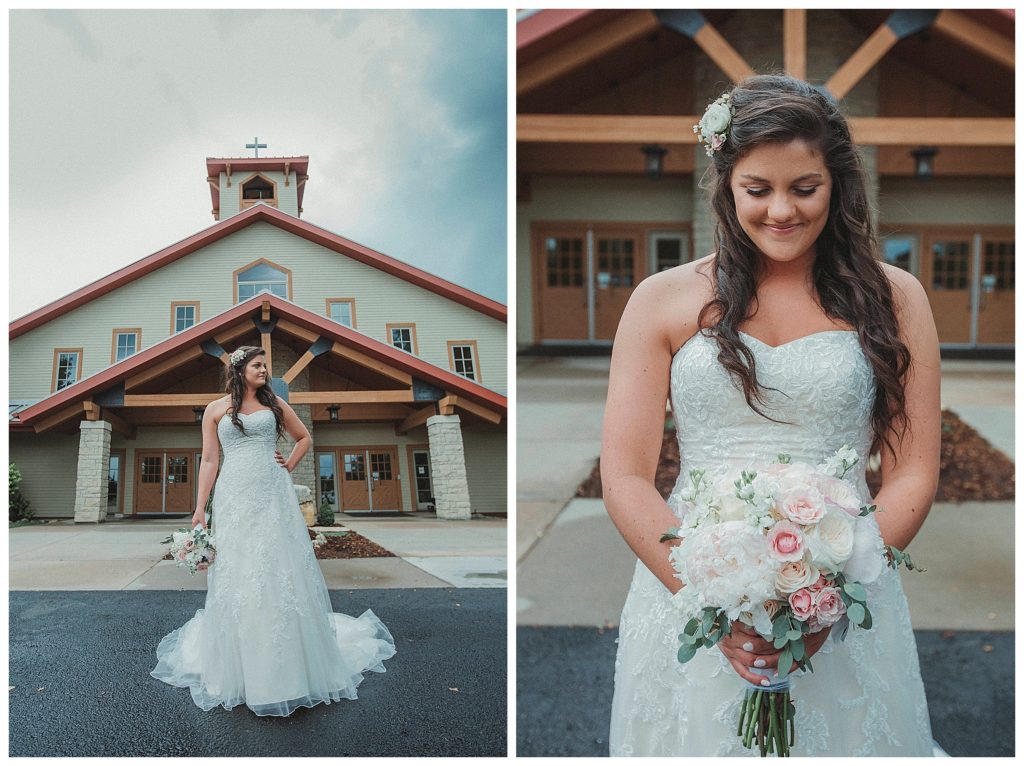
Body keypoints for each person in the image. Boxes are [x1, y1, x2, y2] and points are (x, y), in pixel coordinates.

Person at [602, 75, 940, 756]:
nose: (781, 210)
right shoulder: (661, 299)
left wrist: (828, 597)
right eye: (758, 189)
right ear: (727, 185)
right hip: (690, 580)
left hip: (845, 588)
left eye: (804, 188)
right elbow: (626, 476)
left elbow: (912, 472)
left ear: (837, 184)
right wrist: (712, 604)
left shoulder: (896, 297)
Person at [151, 345, 396, 716]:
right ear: (239, 370)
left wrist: (289, 465)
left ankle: (287, 660)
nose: (264, 370)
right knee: (240, 568)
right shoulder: (215, 410)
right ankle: (241, 663)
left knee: (276, 565)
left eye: (265, 365)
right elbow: (210, 460)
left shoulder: (275, 404)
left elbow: (304, 437)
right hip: (234, 494)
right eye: (257, 365)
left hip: (271, 493)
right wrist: (200, 508)